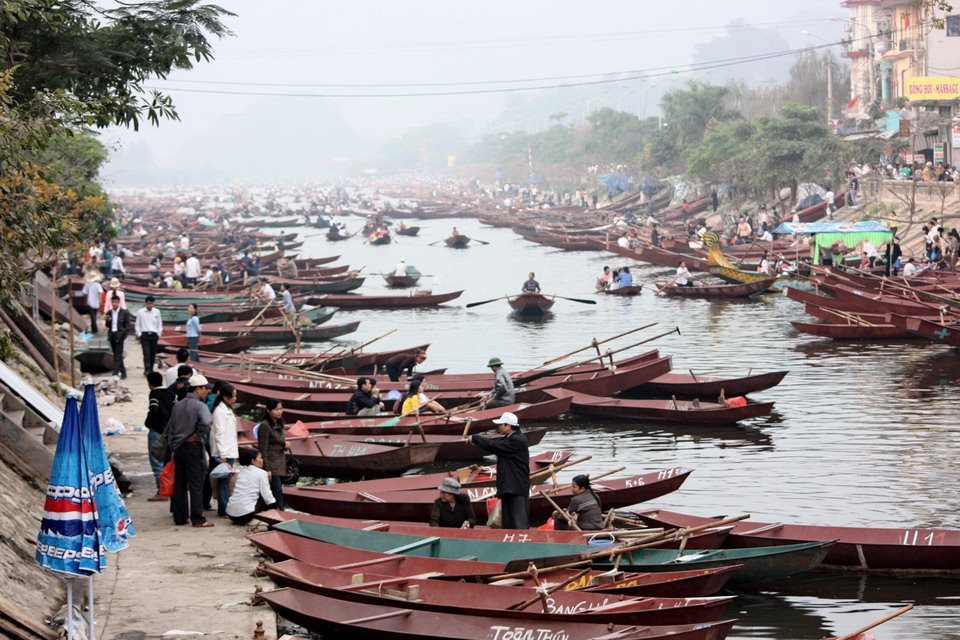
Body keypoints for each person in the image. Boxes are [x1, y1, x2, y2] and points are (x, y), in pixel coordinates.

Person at [467, 412, 529, 529]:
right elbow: (494, 444)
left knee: (519, 522)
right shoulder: (508, 438)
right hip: (508, 487)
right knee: (507, 522)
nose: (498, 427)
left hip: (516, 487)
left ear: (508, 425)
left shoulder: (517, 440)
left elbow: (495, 447)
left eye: (501, 424)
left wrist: (476, 438)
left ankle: (522, 543)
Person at [167, 373, 214, 528]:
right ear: (197, 389)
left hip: (179, 447)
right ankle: (197, 518)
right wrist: (198, 434)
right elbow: (207, 422)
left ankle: (180, 517)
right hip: (193, 447)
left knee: (180, 484)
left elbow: (171, 429)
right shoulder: (200, 405)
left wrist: (174, 447)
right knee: (196, 484)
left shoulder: (178, 404)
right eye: (205, 388)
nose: (207, 391)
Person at [226, 447, 277, 525]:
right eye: (260, 458)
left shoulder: (241, 472)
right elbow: (267, 495)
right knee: (266, 497)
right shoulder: (262, 473)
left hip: (231, 514)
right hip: (245, 515)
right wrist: (275, 508)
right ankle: (255, 519)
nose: (262, 460)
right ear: (253, 461)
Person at [210, 383, 239, 518]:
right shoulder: (219, 411)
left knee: (225, 481)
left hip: (228, 450)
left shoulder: (227, 409)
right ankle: (224, 508)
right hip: (224, 452)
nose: (235, 399)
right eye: (233, 396)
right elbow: (220, 434)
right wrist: (223, 455)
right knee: (223, 481)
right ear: (226, 397)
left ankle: (224, 507)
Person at [145, 371, 174, 501]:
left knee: (156, 460)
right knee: (167, 460)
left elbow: (154, 410)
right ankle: (168, 489)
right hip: (169, 431)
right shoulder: (170, 393)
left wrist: (149, 422)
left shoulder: (154, 394)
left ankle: (161, 491)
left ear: (150, 383)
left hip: (157, 431)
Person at [257, 399, 288, 510]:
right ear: (268, 410)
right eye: (276, 409)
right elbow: (263, 449)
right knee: (277, 491)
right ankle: (280, 514)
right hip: (271, 463)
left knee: (275, 491)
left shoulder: (279, 422)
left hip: (279, 462)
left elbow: (277, 441)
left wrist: (285, 445)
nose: (280, 411)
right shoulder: (264, 426)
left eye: (281, 408)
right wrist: (267, 468)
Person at [135, 295, 163, 376]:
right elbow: (138, 324)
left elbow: (159, 323)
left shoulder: (157, 311)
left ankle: (151, 369)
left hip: (154, 335)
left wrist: (159, 333)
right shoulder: (140, 312)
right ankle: (147, 370)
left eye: (152, 303)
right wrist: (139, 334)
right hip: (144, 334)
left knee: (153, 353)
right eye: (149, 303)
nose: (150, 305)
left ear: (154, 303)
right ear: (146, 303)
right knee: (146, 353)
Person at [106, 294, 131, 379]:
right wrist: (108, 320)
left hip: (119, 335)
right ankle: (123, 373)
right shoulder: (109, 313)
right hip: (112, 335)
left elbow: (127, 326)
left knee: (118, 355)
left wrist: (123, 336)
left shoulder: (124, 313)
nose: (114, 303)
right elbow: (107, 325)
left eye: (116, 302)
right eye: (113, 302)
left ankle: (115, 373)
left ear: (119, 302)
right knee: (117, 355)